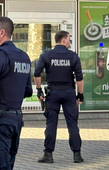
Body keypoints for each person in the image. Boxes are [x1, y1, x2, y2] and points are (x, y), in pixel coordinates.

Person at [34, 30, 84, 163]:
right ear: (63, 40)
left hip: (53, 94)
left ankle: (48, 154)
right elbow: (79, 79)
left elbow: (36, 74)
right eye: (69, 39)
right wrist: (80, 95)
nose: (69, 42)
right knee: (72, 124)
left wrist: (39, 91)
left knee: (51, 124)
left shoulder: (46, 55)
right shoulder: (73, 56)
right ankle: (77, 155)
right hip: (68, 93)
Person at [0, 17, 32, 169]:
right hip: (16, 119)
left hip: (2, 120)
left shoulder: (2, 54)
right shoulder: (23, 56)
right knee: (9, 163)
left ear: (1, 32)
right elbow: (28, 90)